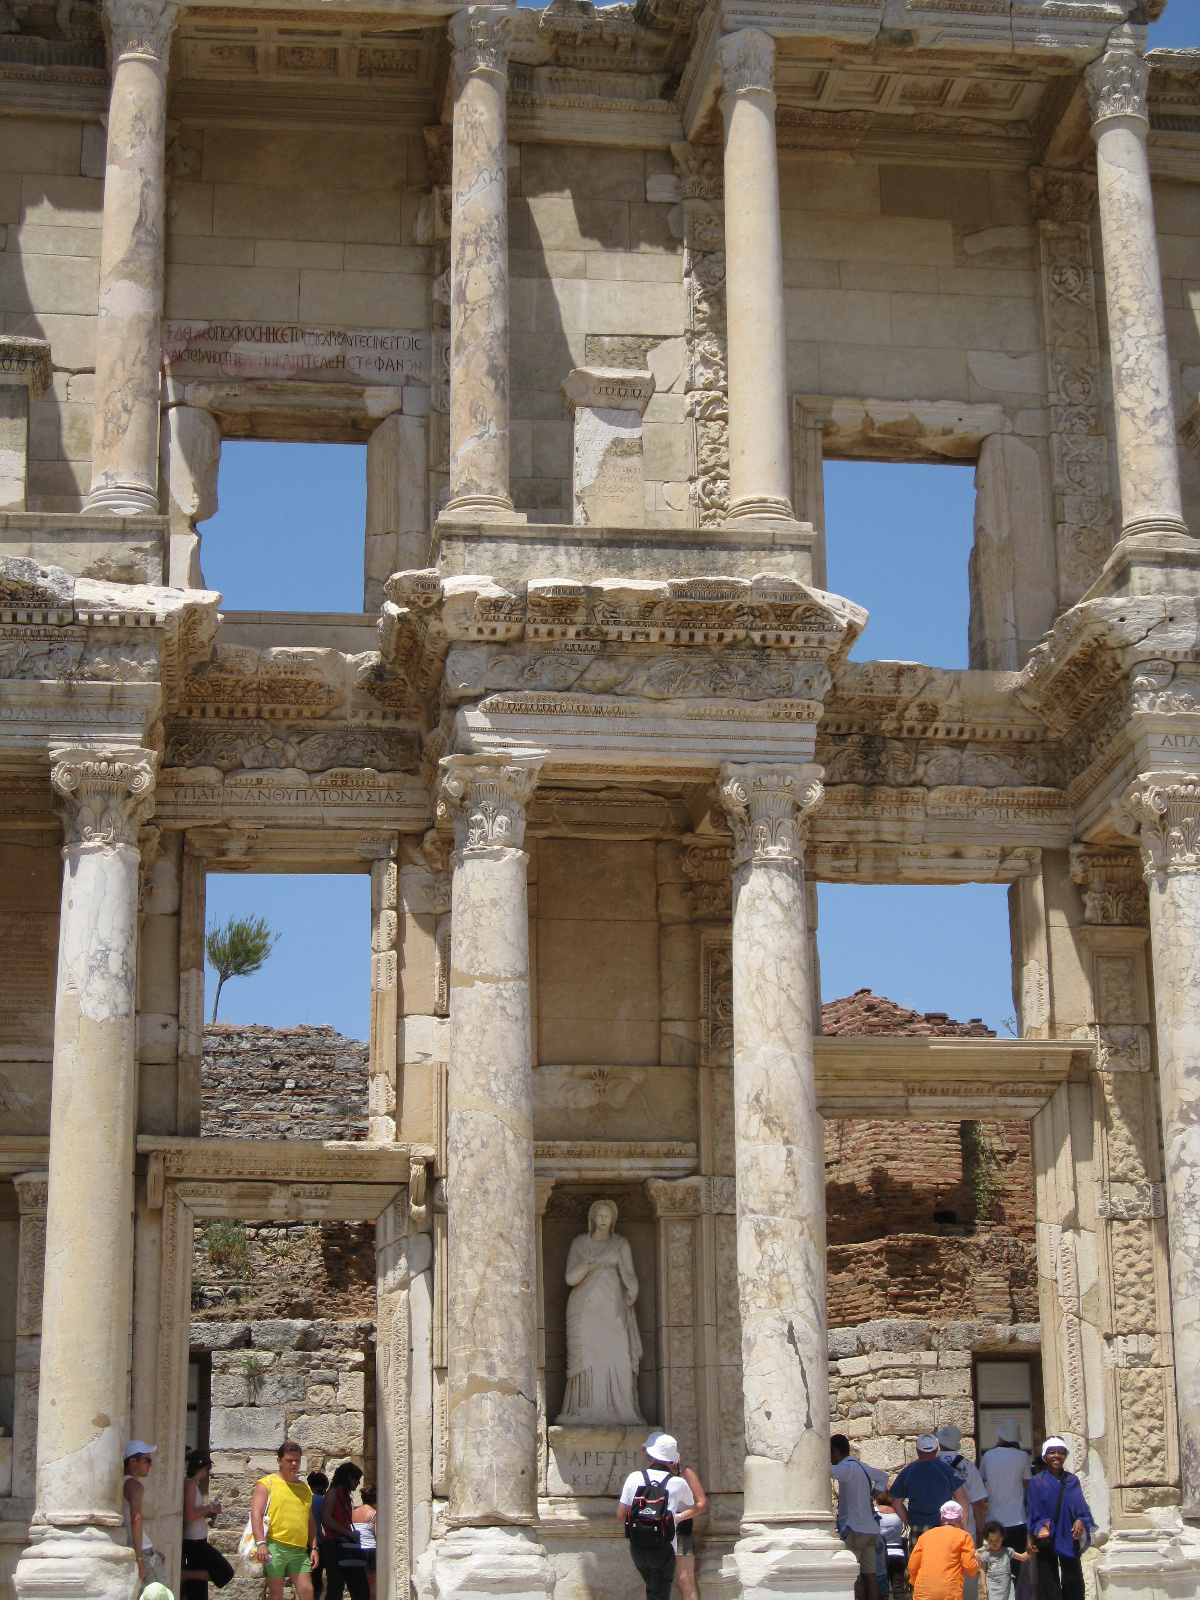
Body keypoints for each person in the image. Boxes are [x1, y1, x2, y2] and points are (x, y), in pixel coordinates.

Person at [617, 1432, 695, 1600]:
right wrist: (678, 1518)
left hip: (637, 1548)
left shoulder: (634, 1477)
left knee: (652, 1592)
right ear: (672, 1458)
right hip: (663, 1548)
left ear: (650, 1455)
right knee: (660, 1595)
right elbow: (694, 1506)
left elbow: (621, 1515)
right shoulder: (678, 1483)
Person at [1025, 1438, 1095, 1600]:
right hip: (1046, 1535)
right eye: (1052, 1452)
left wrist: (1080, 1520)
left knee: (1073, 1579)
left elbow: (1081, 1508)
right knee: (1047, 1580)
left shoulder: (1072, 1480)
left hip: (1068, 1534)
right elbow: (1032, 1512)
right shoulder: (1037, 1482)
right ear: (1045, 1456)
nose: (1056, 1456)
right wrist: (1029, 1539)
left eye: (1060, 1452)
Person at [251, 1440, 319, 1600]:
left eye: (297, 1460)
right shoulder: (266, 1484)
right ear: (279, 1461)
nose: (294, 1464)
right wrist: (260, 1544)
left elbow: (310, 1521)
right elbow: (256, 1514)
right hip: (275, 1546)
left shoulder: (304, 1488)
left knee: (307, 1591)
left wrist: (314, 1548)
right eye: (289, 1460)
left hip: (299, 1550)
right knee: (276, 1593)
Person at [831, 1433, 889, 1600]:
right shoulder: (863, 1467)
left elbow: (826, 1470)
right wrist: (871, 1497)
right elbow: (883, 1477)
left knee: (851, 1576)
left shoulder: (847, 1468)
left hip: (855, 1529)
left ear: (835, 1451)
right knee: (870, 1575)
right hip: (871, 1529)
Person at [891, 1437, 969, 1542]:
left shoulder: (907, 1472)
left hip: (918, 1528)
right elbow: (962, 1499)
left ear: (917, 1450)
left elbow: (896, 1503)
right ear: (936, 1450)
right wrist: (962, 1527)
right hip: (944, 1527)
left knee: (919, 1558)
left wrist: (911, 1522)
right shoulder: (946, 1470)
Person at [182, 1450, 234, 1600]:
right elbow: (190, 1515)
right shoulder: (190, 1485)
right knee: (225, 1572)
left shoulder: (192, 1485)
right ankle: (184, 1574)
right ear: (205, 1469)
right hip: (194, 1541)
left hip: (197, 1539)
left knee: (197, 1590)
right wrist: (209, 1508)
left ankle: (187, 1575)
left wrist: (206, 1512)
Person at [979, 1422, 1032, 1560]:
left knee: (994, 1565)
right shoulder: (1022, 1456)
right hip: (1017, 1520)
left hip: (994, 1520)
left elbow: (981, 1480)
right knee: (1015, 1566)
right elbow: (1027, 1483)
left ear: (1001, 1438)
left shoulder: (988, 1456)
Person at [907, 1502, 979, 1600]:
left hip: (922, 1592)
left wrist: (916, 1581)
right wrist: (976, 1561)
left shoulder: (925, 1536)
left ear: (941, 1519)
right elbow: (969, 1565)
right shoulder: (964, 1536)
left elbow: (912, 1566)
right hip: (949, 1593)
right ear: (960, 1519)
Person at [124, 1440, 167, 1592]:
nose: (150, 1465)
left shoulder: (121, 1484)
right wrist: (141, 1558)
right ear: (133, 1461)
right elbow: (136, 1520)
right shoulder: (135, 1486)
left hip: (137, 1550)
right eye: (147, 1461)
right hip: (143, 1553)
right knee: (161, 1594)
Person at [322, 1461, 369, 1600]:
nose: (358, 1483)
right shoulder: (333, 1492)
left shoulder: (345, 1495)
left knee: (361, 1589)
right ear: (349, 1477)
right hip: (334, 1544)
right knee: (335, 1589)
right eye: (356, 1480)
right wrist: (348, 1533)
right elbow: (326, 1517)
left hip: (346, 1543)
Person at [977, 1520, 1030, 1600]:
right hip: (993, 1588)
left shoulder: (1008, 1551)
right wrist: (983, 1585)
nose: (994, 1543)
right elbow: (983, 1571)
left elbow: (1022, 1557)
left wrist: (1031, 1552)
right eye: (991, 1540)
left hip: (1007, 1587)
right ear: (987, 1540)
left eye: (997, 1539)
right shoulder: (986, 1555)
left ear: (1002, 1537)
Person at [878, 1490, 909, 1600]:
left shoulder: (875, 1512)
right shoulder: (899, 1512)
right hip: (898, 1553)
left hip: (881, 1554)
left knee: (881, 1589)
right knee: (898, 1589)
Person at [307, 1473, 330, 1600]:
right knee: (317, 1580)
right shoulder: (321, 1500)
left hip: (304, 1543)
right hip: (318, 1544)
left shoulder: (307, 1499)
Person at [352, 1486, 377, 1600]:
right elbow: (378, 1535)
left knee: (357, 1580)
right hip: (370, 1549)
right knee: (371, 1581)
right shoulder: (374, 1514)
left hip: (355, 1549)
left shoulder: (352, 1513)